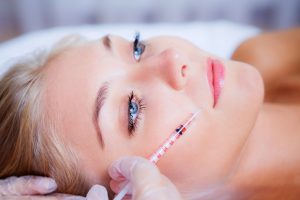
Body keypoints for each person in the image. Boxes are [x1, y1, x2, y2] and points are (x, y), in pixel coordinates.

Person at [0, 27, 299, 199]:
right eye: (132, 109)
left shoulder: (263, 53)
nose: (171, 58)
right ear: (129, 193)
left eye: (137, 49)